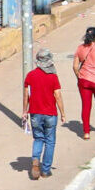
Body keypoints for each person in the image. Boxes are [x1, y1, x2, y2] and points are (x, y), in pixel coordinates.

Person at [24, 49, 63, 180]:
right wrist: (62, 112)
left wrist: (25, 111)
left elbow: (26, 95)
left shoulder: (30, 75)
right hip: (50, 113)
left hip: (35, 113)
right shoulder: (53, 77)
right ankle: (46, 170)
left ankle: (36, 160)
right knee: (50, 141)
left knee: (38, 138)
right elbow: (57, 95)